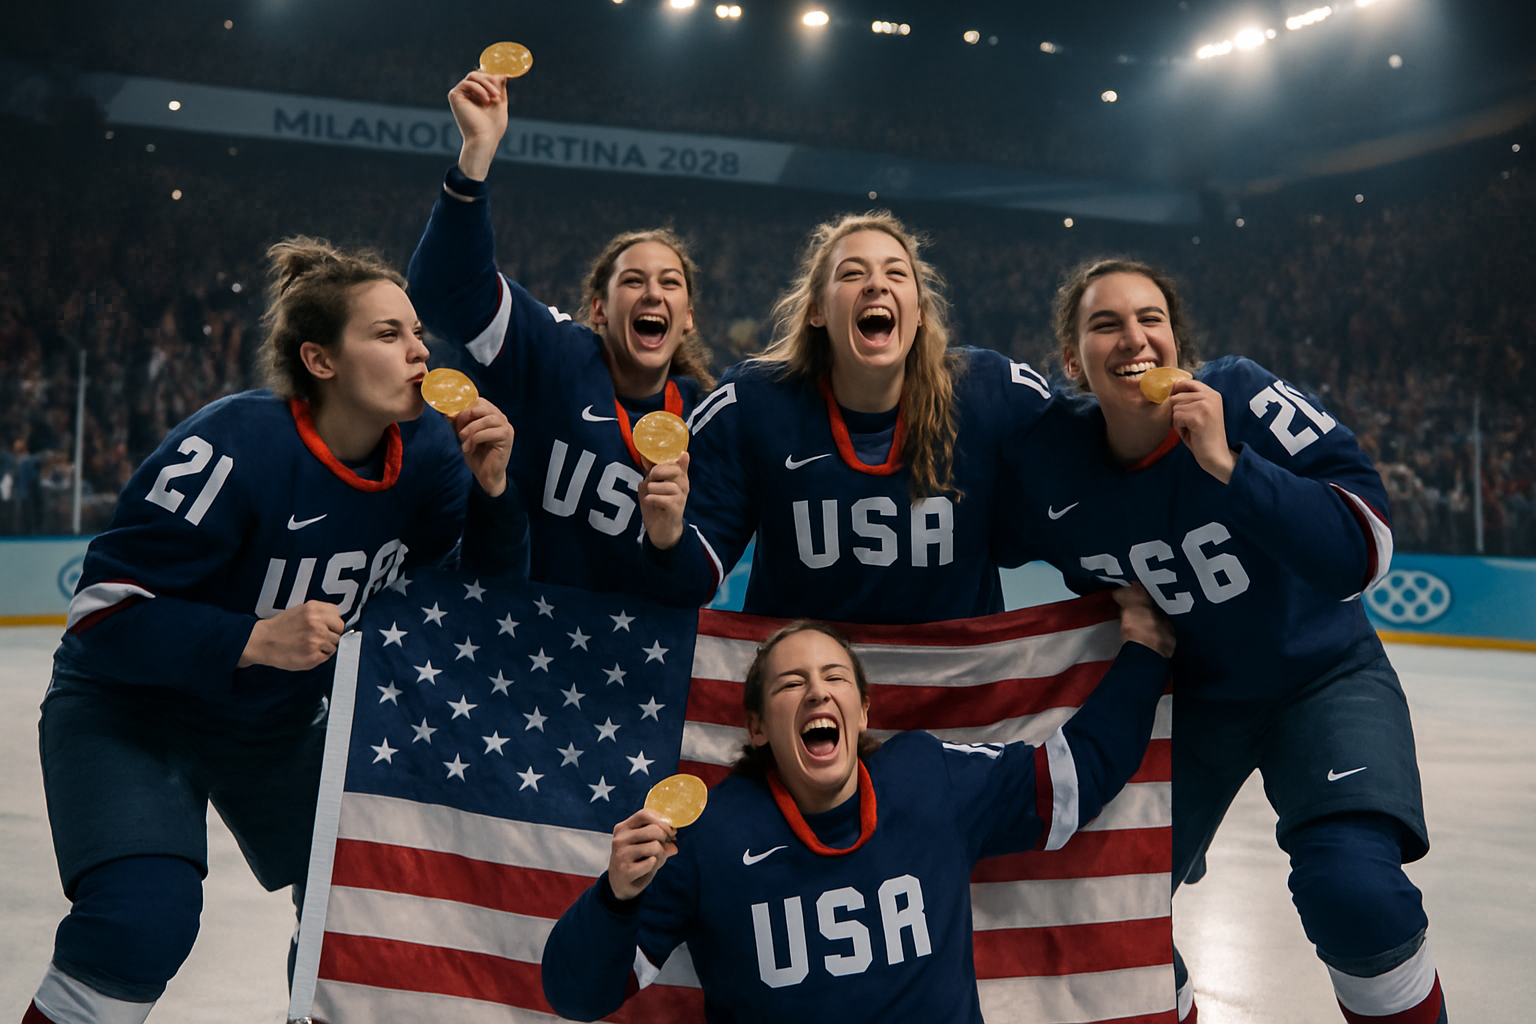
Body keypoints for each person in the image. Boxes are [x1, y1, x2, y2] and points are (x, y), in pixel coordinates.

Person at [23, 238, 525, 1024]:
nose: (418, 349)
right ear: (320, 361)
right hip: (133, 713)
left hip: (272, 721)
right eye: (387, 334)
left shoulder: (434, 455)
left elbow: (476, 610)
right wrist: (252, 640)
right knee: (140, 920)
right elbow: (100, 615)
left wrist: (495, 494)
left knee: (364, 903)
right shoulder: (232, 445)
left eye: (417, 332)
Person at [1004, 258, 1445, 1024]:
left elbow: (1365, 545)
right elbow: (974, 544)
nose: (1132, 338)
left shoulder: (1239, 396)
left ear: (1176, 340)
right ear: (1072, 360)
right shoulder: (1046, 460)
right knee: (1101, 907)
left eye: (1150, 319)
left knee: (1355, 891)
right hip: (1190, 703)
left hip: (1321, 677)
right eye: (1105, 324)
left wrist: (1231, 466)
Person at [542, 587, 1174, 1023]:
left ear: (864, 711)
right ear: (758, 728)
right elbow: (576, 995)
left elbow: (1074, 777)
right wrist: (614, 897)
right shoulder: (707, 834)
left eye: (835, 678)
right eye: (792, 683)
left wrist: (1146, 654)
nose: (817, 691)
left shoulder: (931, 777)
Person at [641, 211, 1056, 622]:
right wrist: (667, 539)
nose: (876, 284)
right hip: (807, 682)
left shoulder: (994, 392)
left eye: (896, 274)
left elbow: (1081, 489)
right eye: (852, 273)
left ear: (920, 312)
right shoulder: (751, 405)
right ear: (816, 311)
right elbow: (687, 584)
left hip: (953, 685)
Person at [406, 70, 707, 595]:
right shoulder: (552, 351)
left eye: (671, 283)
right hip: (509, 636)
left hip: (626, 663)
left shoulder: (709, 417)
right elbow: (443, 292)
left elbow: (700, 579)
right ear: (598, 310)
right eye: (632, 280)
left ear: (688, 318)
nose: (653, 293)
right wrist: (476, 154)